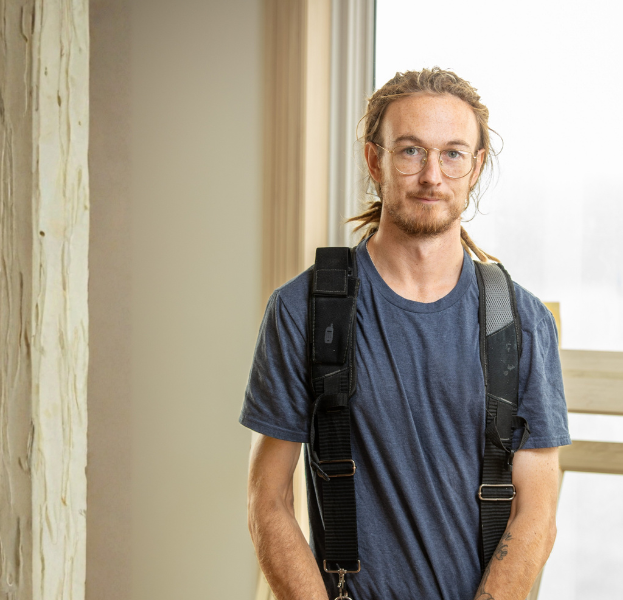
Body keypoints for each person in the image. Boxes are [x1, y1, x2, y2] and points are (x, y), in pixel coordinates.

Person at [240, 67, 570, 600]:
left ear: (476, 166)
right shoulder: (303, 311)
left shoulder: (522, 322)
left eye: (453, 154)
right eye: (411, 151)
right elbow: (267, 499)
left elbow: (537, 513)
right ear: (376, 160)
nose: (432, 177)